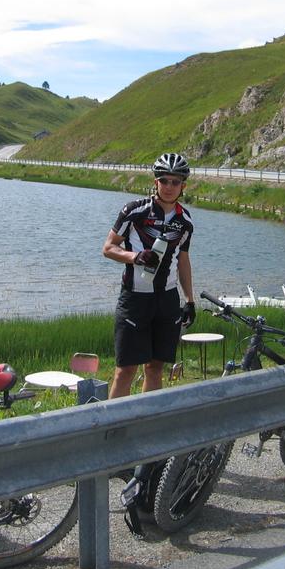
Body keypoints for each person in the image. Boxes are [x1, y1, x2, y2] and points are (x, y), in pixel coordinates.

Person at [102, 152, 196, 398]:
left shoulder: (185, 220)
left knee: (155, 368)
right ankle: (114, 429)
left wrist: (190, 300)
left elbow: (183, 261)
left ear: (183, 186)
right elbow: (108, 248)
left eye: (175, 182)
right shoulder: (134, 211)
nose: (169, 187)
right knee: (125, 370)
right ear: (156, 182)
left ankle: (147, 424)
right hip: (135, 298)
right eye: (164, 180)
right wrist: (135, 257)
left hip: (167, 299)